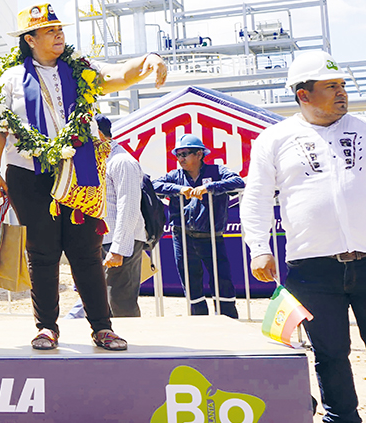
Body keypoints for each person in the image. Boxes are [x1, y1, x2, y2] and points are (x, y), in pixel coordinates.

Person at [0, 3, 167, 352]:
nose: (58, 35)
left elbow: (119, 74)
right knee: (42, 253)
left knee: (86, 251)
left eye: (59, 29)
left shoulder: (81, 70)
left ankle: (102, 327)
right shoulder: (8, 79)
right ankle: (47, 328)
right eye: (50, 31)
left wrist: (149, 60)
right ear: (30, 39)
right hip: (29, 174)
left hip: (79, 170)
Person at [242, 50, 365, 423]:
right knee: (330, 351)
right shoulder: (275, 139)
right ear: (304, 95)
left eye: (342, 85)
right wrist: (260, 248)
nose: (342, 92)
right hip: (312, 269)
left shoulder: (362, 129)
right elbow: (257, 198)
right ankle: (342, 418)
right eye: (331, 87)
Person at [154, 133, 244, 318]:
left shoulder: (216, 171)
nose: (181, 159)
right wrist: (179, 189)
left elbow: (238, 182)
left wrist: (209, 188)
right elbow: (154, 185)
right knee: (190, 280)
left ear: (200, 154)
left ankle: (228, 320)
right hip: (183, 236)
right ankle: (199, 321)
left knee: (222, 280)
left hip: (212, 236)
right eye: (178, 155)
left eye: (185, 153)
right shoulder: (175, 176)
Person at [67, 115, 147, 319]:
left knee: (120, 303)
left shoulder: (122, 161)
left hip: (119, 242)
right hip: (102, 241)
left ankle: (135, 348)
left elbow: (128, 206)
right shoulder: (99, 161)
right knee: (99, 301)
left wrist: (118, 249)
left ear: (98, 134)